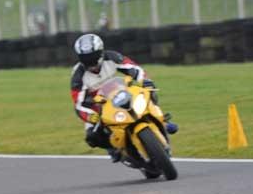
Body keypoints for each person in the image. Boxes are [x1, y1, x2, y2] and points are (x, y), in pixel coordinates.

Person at [70, 33, 178, 162]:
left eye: (92, 56)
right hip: (98, 106)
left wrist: (144, 80)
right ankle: (114, 148)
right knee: (92, 137)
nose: (90, 61)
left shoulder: (112, 57)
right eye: (86, 58)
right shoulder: (78, 74)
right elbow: (78, 103)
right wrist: (90, 116)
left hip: (122, 92)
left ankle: (161, 120)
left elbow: (133, 68)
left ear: (100, 52)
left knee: (148, 91)